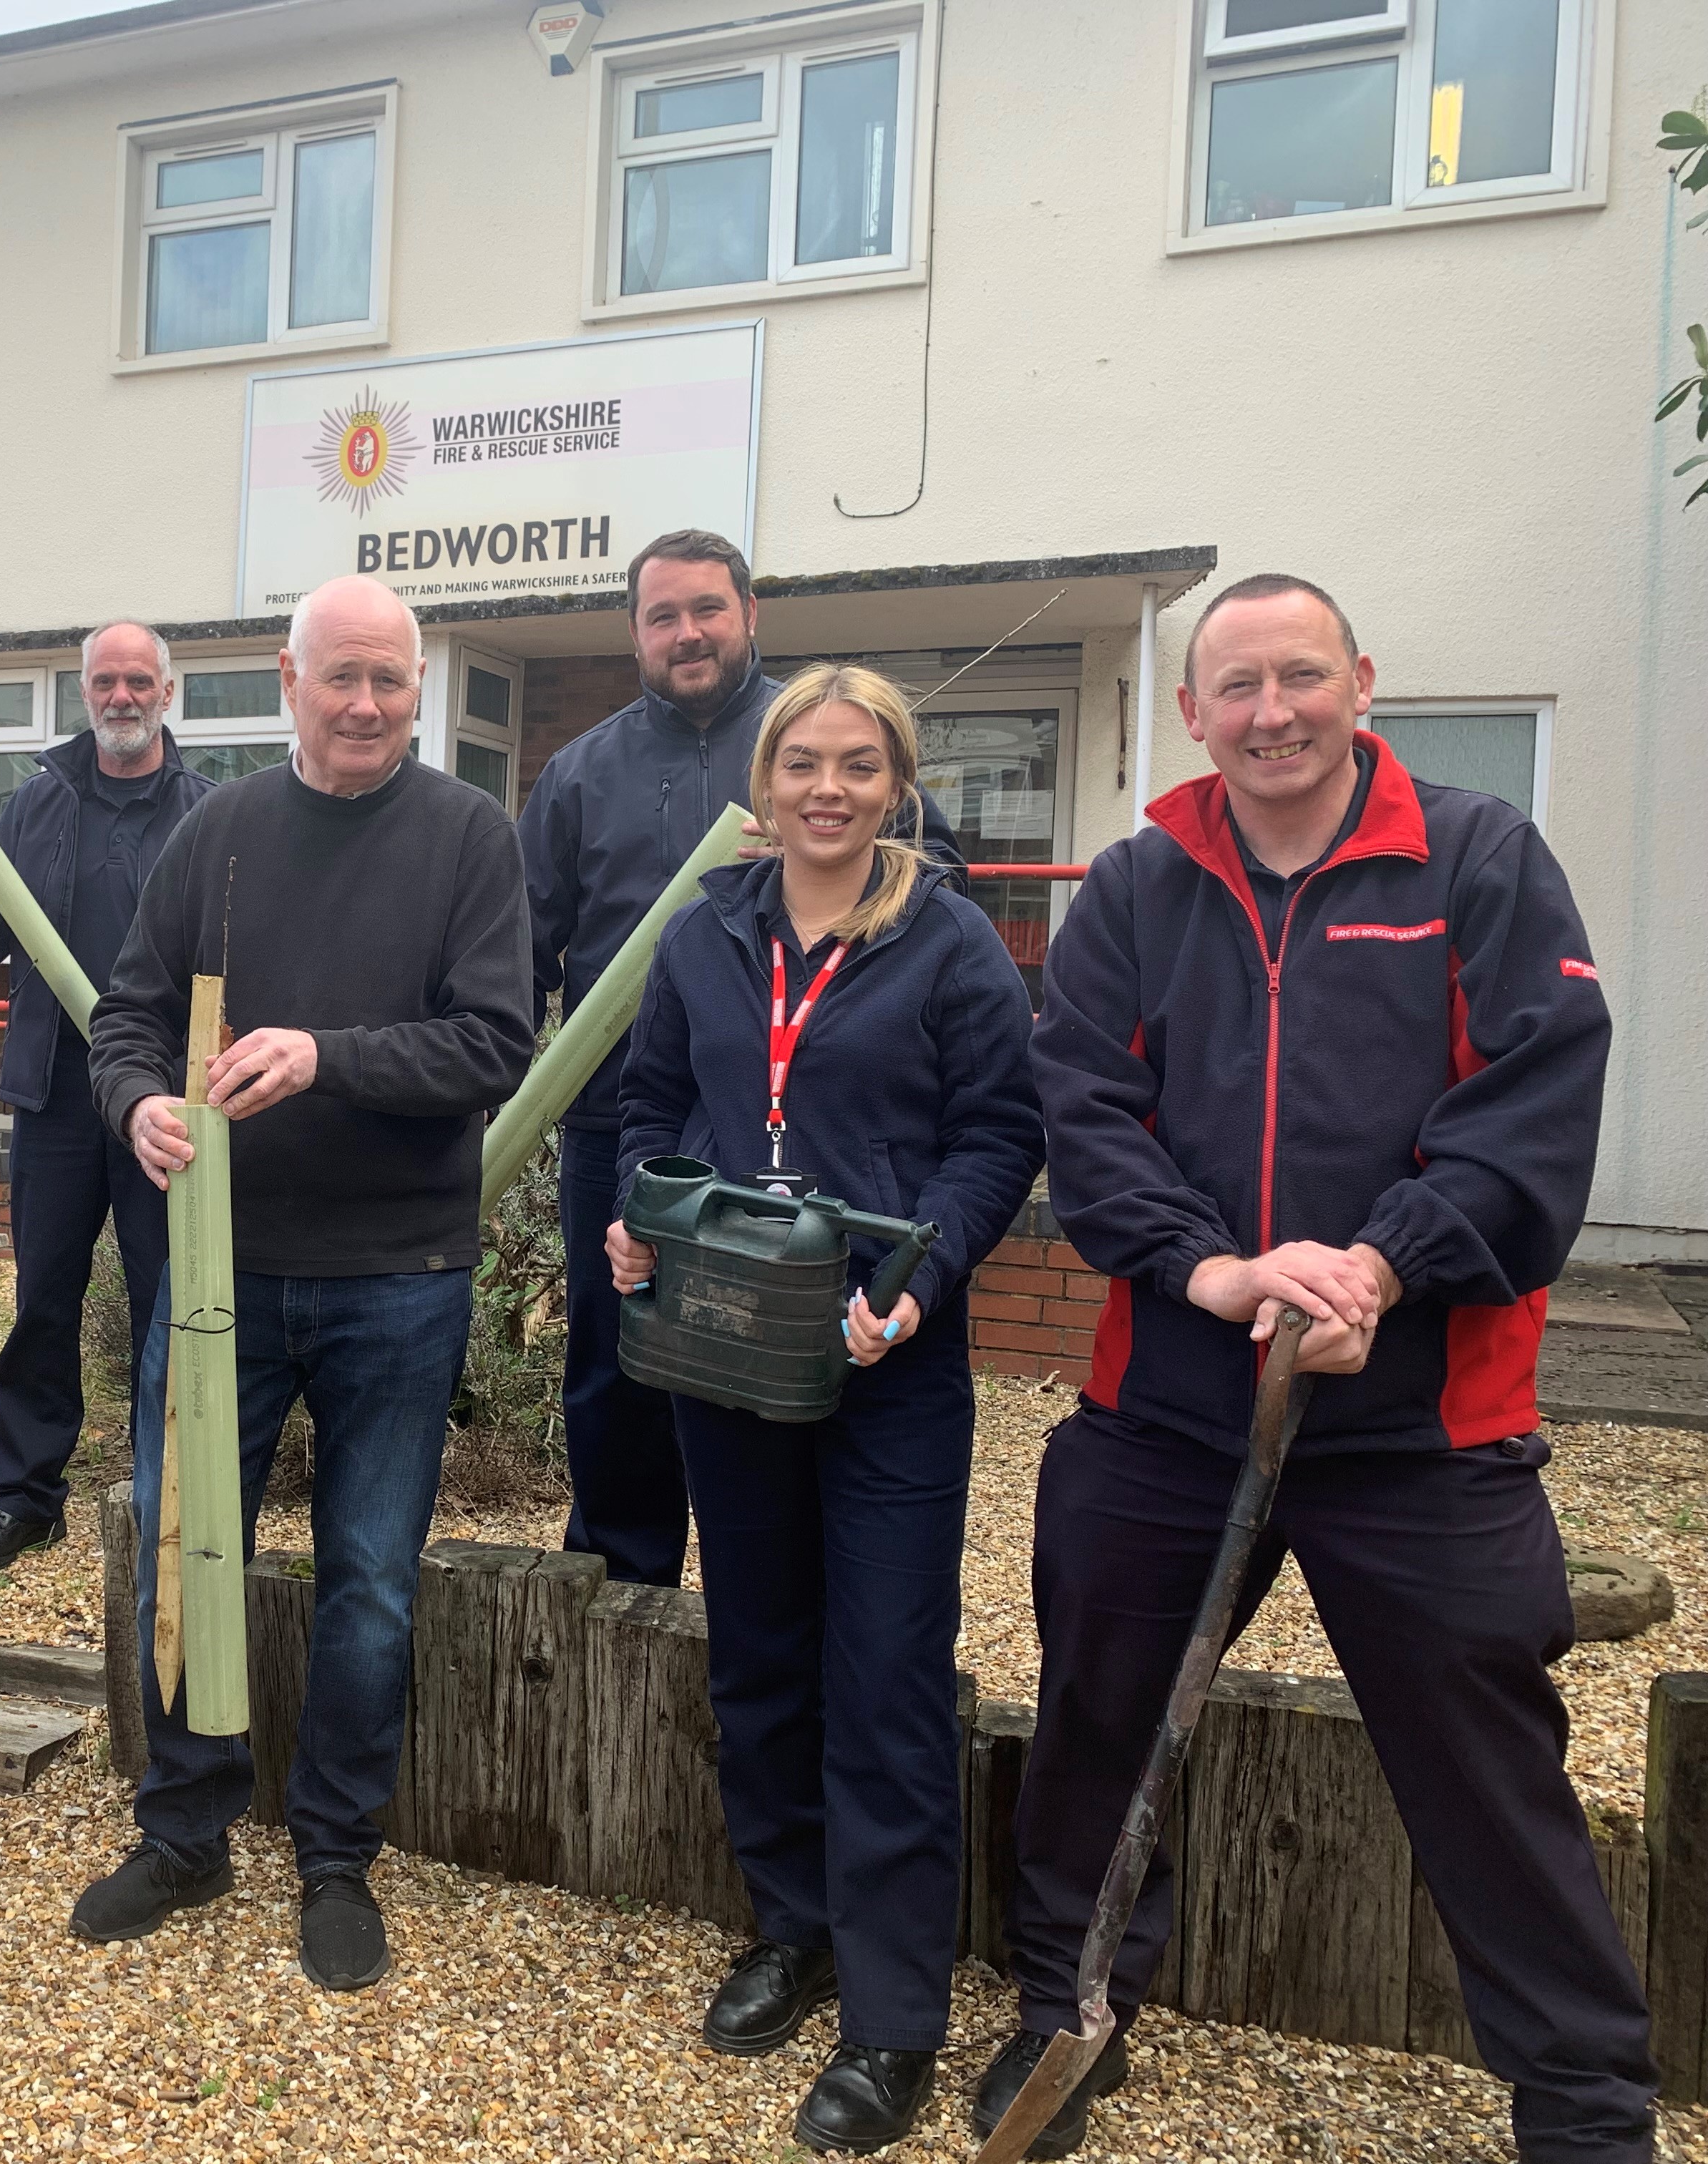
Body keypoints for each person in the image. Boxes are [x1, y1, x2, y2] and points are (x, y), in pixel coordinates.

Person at [980, 574, 1651, 2161]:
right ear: (1193, 715)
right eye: (1237, 686)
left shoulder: (1479, 860)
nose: (1271, 710)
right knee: (1100, 1720)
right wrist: (1216, 1269)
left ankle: (1583, 2100)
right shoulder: (1143, 886)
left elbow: (1538, 1098)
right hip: (1172, 1398)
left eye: (1301, 675)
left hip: (1422, 1414)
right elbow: (1081, 1107)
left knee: (1487, 1757)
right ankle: (1065, 2021)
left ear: (1362, 680)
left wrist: (1385, 1262)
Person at [74, 574, 532, 1991]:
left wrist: (327, 1054)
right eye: (341, 677)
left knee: (372, 1582)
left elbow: (495, 1047)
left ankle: (337, 1853)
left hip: (399, 1274)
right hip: (222, 1266)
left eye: (390, 680)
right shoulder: (218, 836)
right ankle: (188, 1826)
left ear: (416, 687)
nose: (366, 705)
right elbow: (128, 1014)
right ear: (289, 678)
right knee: (184, 1553)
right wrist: (139, 1101)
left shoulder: (469, 839)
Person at [607, 663, 1040, 2153]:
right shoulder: (709, 931)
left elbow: (997, 1137)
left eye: (859, 766)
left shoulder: (950, 943)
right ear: (768, 778)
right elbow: (652, 1104)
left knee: (887, 1683)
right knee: (762, 1661)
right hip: (732, 1348)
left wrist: (923, 1280)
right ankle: (793, 1925)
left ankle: (895, 2018)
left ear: (895, 782)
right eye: (804, 764)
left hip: (884, 1366)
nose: (829, 790)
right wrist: (632, 1213)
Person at [517, 529, 965, 1588]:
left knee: (786, 1346)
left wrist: (822, 860)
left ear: (750, 614)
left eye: (708, 609)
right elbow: (525, 946)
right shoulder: (581, 773)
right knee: (623, 1352)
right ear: (634, 632)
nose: (688, 633)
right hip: (630, 1127)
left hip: (807, 1113)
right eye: (663, 615)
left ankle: (786, 1579)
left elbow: (931, 875)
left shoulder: (819, 743)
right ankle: (628, 1579)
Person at [0, 620, 215, 1576]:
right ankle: (24, 1497)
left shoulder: (210, 812)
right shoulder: (37, 803)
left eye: (142, 681)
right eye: (108, 681)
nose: (124, 696)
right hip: (55, 1092)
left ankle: (167, 1492)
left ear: (167, 695)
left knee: (163, 1297)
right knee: (43, 1295)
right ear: (86, 693)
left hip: (160, 1102)